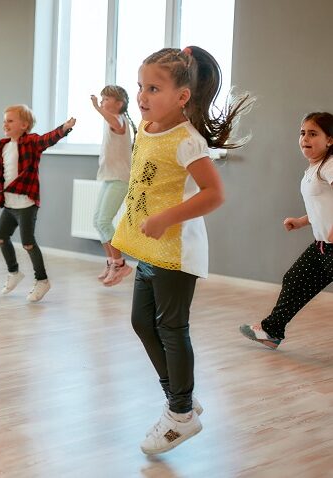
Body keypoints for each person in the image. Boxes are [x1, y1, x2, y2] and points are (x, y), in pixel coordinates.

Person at [111, 46, 253, 455]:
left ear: (182, 97)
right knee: (142, 323)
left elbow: (214, 194)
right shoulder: (147, 127)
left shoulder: (188, 141)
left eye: (153, 88)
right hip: (150, 251)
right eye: (140, 86)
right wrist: (120, 249)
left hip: (177, 253)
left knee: (172, 329)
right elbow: (140, 188)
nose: (142, 96)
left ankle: (180, 415)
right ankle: (182, 398)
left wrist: (166, 218)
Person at [240, 112, 333, 349]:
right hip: (322, 247)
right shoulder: (313, 169)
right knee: (294, 280)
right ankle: (271, 332)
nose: (305, 138)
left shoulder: (329, 165)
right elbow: (322, 208)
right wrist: (302, 221)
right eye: (303, 133)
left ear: (330, 140)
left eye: (313, 134)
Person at [0, 104, 75, 302]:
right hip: (10, 203)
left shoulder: (31, 142)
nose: (6, 124)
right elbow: (8, 169)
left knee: (28, 243)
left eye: (10, 121)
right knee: (1, 238)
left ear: (24, 125)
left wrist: (63, 128)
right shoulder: (3, 145)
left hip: (26, 204)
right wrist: (1, 175)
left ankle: (42, 280)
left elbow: (46, 139)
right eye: (5, 120)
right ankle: (14, 272)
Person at [90, 85, 135, 286]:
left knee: (104, 221)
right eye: (101, 98)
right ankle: (112, 262)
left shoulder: (119, 121)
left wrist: (97, 109)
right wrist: (101, 109)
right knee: (98, 220)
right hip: (109, 177)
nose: (102, 101)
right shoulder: (113, 121)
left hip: (120, 179)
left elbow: (113, 122)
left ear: (119, 104)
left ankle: (120, 264)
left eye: (106, 99)